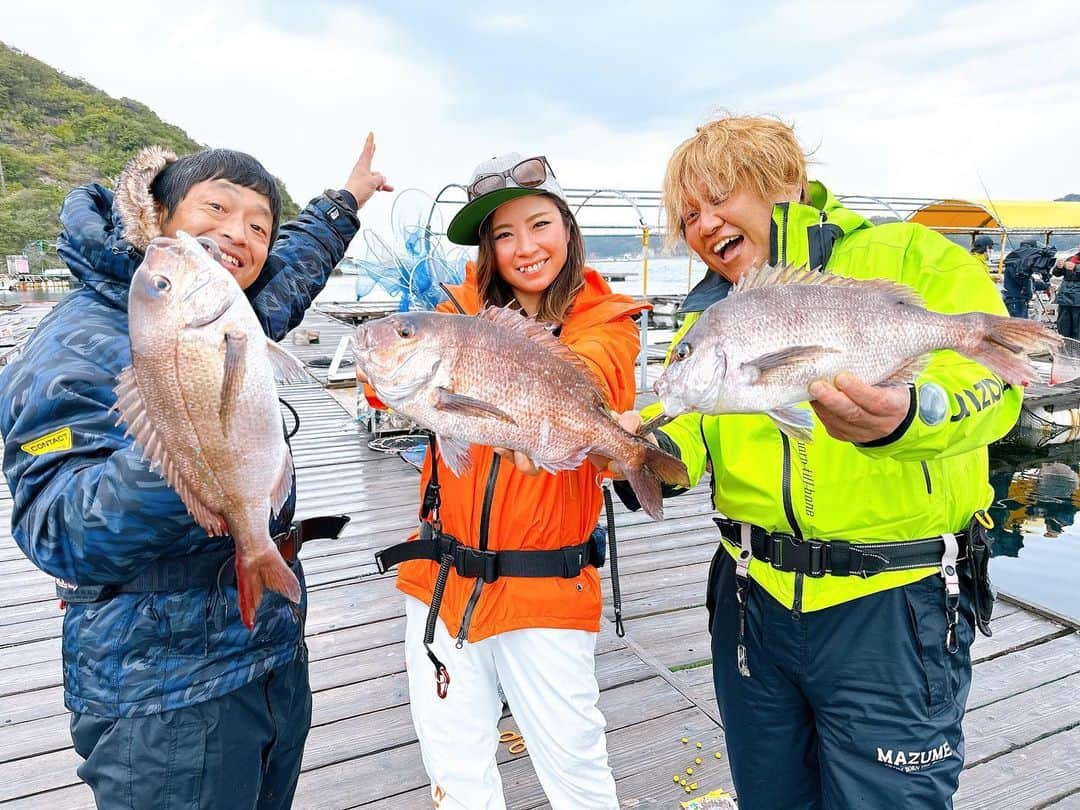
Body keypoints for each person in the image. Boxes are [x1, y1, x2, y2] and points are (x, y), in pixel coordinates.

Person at [613, 115, 1013, 809]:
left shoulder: (911, 255)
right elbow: (693, 446)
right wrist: (637, 455)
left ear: (784, 182)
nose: (704, 225)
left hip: (893, 607)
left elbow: (997, 389)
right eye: (689, 216)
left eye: (718, 199)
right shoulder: (712, 320)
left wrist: (906, 417)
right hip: (750, 603)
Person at [0, 138, 390, 808]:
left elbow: (292, 266)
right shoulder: (71, 344)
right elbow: (59, 530)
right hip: (160, 694)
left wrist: (344, 204)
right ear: (158, 216)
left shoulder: (218, 309)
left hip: (264, 656)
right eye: (217, 207)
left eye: (257, 225)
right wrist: (186, 452)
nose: (238, 234)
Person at [367, 154, 647, 809]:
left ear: (569, 229)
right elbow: (385, 390)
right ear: (487, 250)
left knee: (577, 775)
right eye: (503, 235)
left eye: (540, 224)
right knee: (456, 777)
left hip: (546, 588)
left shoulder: (607, 319)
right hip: (437, 583)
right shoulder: (452, 312)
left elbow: (598, 377)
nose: (525, 248)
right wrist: (385, 365)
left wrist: (530, 402)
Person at [1002, 239, 1052, 319]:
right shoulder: (1016, 265)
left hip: (1018, 300)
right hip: (1015, 300)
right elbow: (1023, 281)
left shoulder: (1018, 264)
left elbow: (1029, 282)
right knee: (1018, 326)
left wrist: (1046, 286)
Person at [1053, 247, 1080, 338]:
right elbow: (1056, 273)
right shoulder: (1071, 258)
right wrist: (1058, 267)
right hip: (1064, 298)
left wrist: (1075, 267)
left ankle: (1077, 349)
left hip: (1077, 300)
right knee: (1063, 326)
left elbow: (1074, 267)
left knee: (1078, 329)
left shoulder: (1072, 262)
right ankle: (1065, 348)